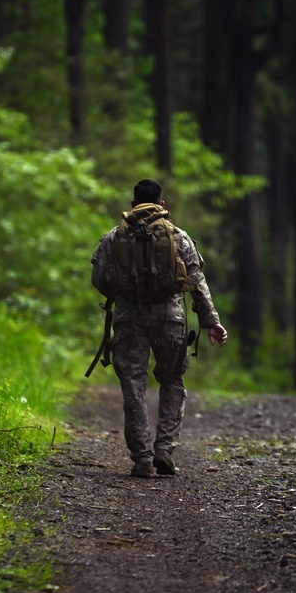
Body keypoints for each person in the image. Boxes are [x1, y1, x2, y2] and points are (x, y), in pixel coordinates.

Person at [91, 179, 228, 478]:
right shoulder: (178, 236)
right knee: (172, 382)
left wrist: (125, 294)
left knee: (134, 387)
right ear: (161, 204)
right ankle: (164, 448)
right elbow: (197, 282)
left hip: (129, 321)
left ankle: (142, 458)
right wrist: (211, 321)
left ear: (133, 203)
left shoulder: (113, 237)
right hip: (171, 319)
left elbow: (99, 278)